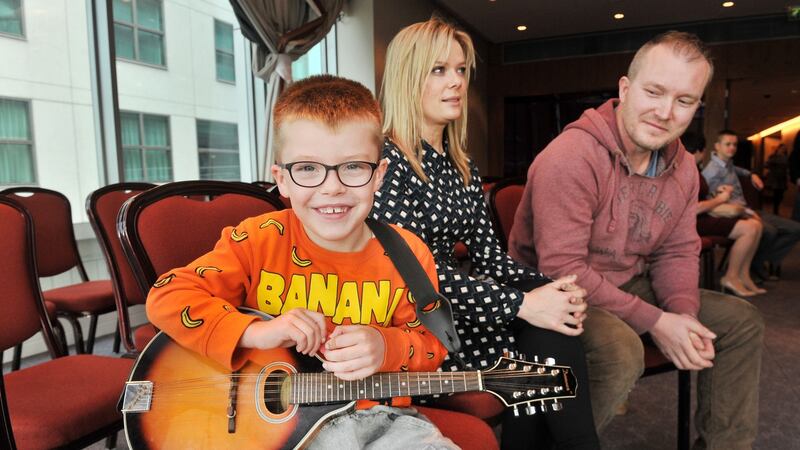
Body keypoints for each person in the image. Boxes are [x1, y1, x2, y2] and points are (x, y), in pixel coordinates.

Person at [146, 75, 458, 449]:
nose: (332, 188)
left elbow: (434, 345)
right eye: (308, 169)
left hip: (383, 416)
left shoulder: (408, 252)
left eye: (354, 167)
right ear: (282, 180)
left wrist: (384, 345)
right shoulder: (257, 238)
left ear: (379, 176)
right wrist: (256, 332)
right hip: (277, 423)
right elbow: (167, 296)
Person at [508, 31, 764, 449]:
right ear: (625, 89)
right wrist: (657, 323)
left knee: (740, 322)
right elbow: (563, 271)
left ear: (697, 106)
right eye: (654, 92)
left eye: (684, 101)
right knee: (621, 350)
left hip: (626, 282)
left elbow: (678, 250)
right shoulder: (571, 155)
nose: (665, 112)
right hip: (552, 297)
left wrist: (683, 316)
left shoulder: (682, 168)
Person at [371, 17, 599, 450]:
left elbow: (490, 259)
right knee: (542, 343)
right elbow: (417, 277)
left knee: (547, 336)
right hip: (422, 324)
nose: (456, 82)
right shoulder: (385, 161)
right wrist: (523, 304)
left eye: (460, 70)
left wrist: (553, 289)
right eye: (439, 70)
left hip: (464, 309)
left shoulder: (461, 163)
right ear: (407, 77)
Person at [703, 130, 800, 280]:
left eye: (734, 144)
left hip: (748, 209)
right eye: (727, 144)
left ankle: (756, 261)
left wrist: (751, 174)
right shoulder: (712, 171)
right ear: (717, 146)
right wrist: (744, 212)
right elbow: (710, 202)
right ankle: (752, 266)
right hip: (736, 214)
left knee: (795, 229)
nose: (732, 148)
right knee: (770, 231)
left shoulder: (726, 164)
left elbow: (737, 170)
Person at [683, 132, 765, 296]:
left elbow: (699, 198)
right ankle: (731, 276)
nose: (732, 148)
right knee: (749, 228)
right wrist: (720, 199)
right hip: (692, 222)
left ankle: (743, 274)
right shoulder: (689, 172)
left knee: (755, 225)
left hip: (700, 217)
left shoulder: (692, 169)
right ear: (701, 151)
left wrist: (717, 195)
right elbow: (693, 208)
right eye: (728, 144)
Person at [765, 144, 789, 215]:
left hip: (782, 179)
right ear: (778, 148)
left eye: (784, 149)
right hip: (775, 179)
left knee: (781, 195)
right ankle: (775, 210)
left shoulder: (786, 158)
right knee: (776, 194)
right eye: (782, 148)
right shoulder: (773, 157)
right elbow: (766, 165)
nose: (783, 150)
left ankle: (776, 208)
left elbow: (787, 168)